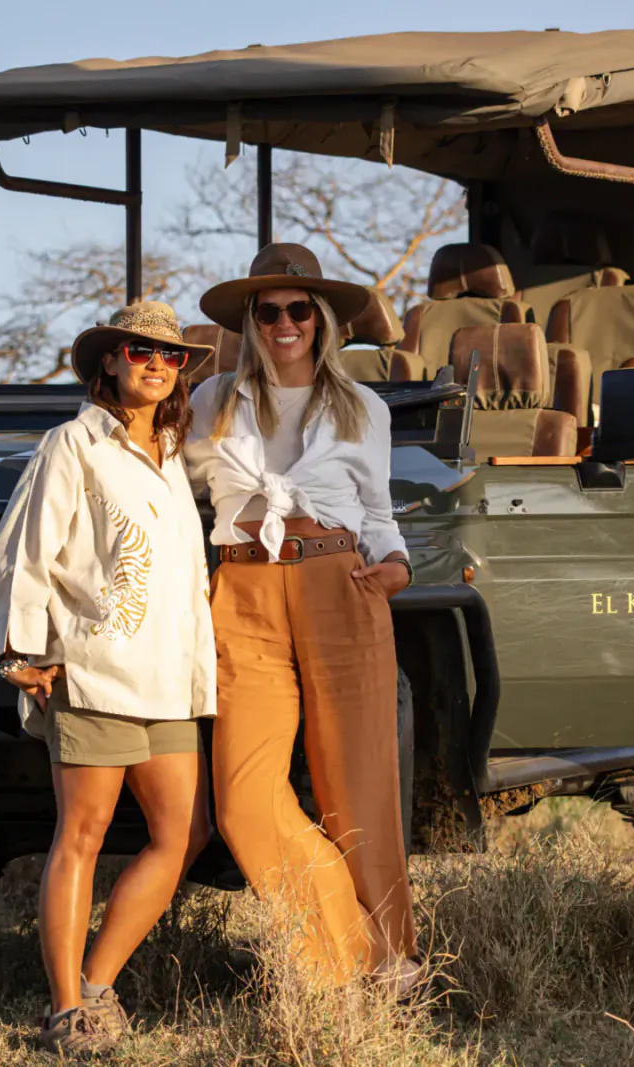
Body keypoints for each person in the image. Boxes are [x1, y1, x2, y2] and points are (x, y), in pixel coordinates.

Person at [185, 243, 422, 989]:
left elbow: (378, 513)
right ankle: (358, 947)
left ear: (320, 321)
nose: (284, 322)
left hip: (339, 584)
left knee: (359, 788)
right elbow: (173, 493)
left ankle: (386, 959)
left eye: (298, 309)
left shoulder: (364, 407)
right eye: (268, 310)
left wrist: (398, 566)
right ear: (251, 322)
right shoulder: (210, 400)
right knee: (245, 800)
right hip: (244, 590)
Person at [0, 301, 217, 1054]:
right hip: (94, 669)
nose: (156, 362)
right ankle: (64, 1012)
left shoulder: (174, 455)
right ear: (109, 361)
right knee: (81, 834)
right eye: (139, 349)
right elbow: (22, 549)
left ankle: (94, 983)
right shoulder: (73, 445)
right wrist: (22, 648)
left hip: (170, 677)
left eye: (170, 354)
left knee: (182, 834)